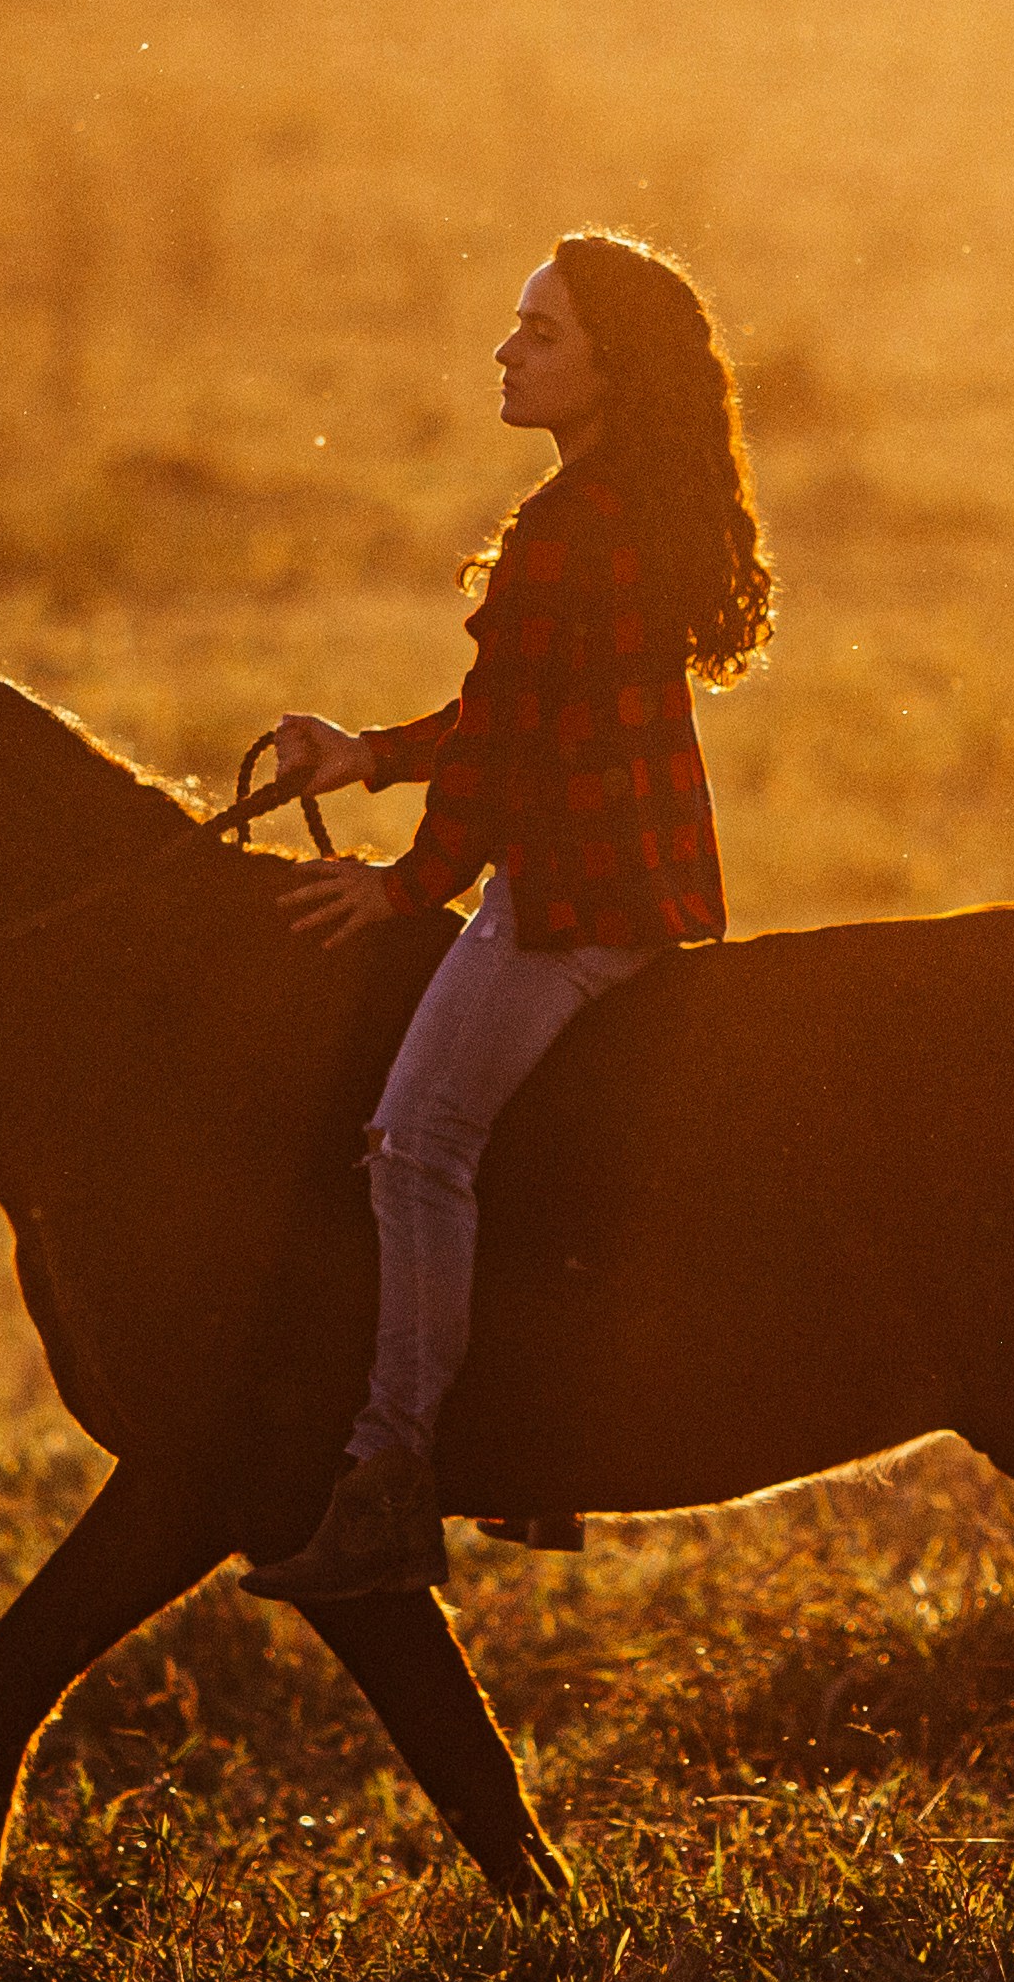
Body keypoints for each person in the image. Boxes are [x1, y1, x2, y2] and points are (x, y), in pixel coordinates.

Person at [235, 230, 774, 1602]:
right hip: (642, 884)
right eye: (518, 326)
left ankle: (391, 1475)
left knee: (415, 1144)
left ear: (610, 369)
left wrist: (402, 885)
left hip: (568, 902)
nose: (508, 350)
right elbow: (510, 712)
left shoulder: (562, 532)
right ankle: (525, 1454)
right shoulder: (629, 504)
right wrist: (364, 753)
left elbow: (507, 763)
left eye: (542, 334)